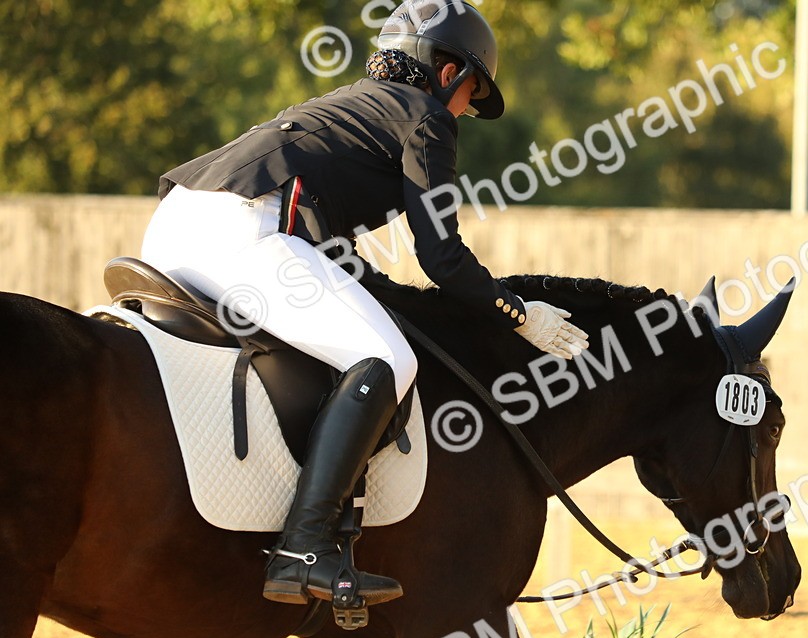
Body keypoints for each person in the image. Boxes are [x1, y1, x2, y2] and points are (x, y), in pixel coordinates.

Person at [141, 0, 588, 607]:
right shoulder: (426, 116)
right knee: (388, 361)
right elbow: (442, 256)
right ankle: (304, 545)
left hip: (175, 225)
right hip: (243, 232)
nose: (465, 109)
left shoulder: (350, 104)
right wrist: (519, 313)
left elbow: (330, 245)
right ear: (449, 71)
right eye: (471, 91)